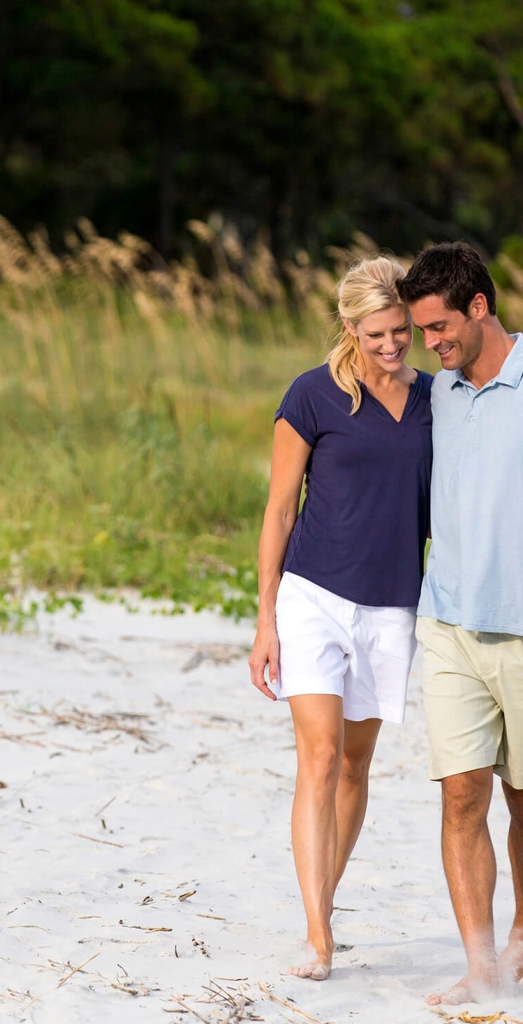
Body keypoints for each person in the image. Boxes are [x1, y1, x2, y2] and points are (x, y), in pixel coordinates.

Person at [248, 256, 432, 981]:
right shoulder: (312, 396)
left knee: (356, 765)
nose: (392, 346)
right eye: (378, 333)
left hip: (392, 604)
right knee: (319, 758)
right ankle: (318, 933)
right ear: (349, 327)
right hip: (313, 595)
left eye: (402, 332)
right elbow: (278, 509)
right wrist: (266, 619)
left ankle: (326, 898)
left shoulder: (433, 401)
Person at [397, 241, 523, 1006]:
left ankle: (521, 942)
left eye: (441, 327)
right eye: (422, 332)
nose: (432, 344)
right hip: (447, 624)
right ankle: (480, 965)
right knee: (461, 796)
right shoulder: (436, 390)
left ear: (479, 306)